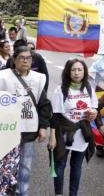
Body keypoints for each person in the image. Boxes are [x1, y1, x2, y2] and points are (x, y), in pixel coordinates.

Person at [0, 46, 51, 196]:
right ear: (14, 59)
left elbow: (44, 104)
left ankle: (21, 192)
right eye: (22, 58)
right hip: (7, 130)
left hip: (29, 130)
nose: (25, 61)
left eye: (28, 58)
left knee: (25, 166)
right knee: (5, 166)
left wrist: (43, 127)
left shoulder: (38, 78)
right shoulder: (1, 77)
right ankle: (4, 192)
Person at [48, 58, 97, 196]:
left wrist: (93, 113)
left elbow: (94, 106)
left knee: (76, 167)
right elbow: (55, 116)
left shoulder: (88, 88)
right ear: (68, 72)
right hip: (63, 133)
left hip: (82, 134)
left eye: (79, 69)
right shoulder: (61, 90)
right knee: (60, 166)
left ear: (84, 72)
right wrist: (52, 137)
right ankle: (59, 194)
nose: (76, 73)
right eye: (73, 69)